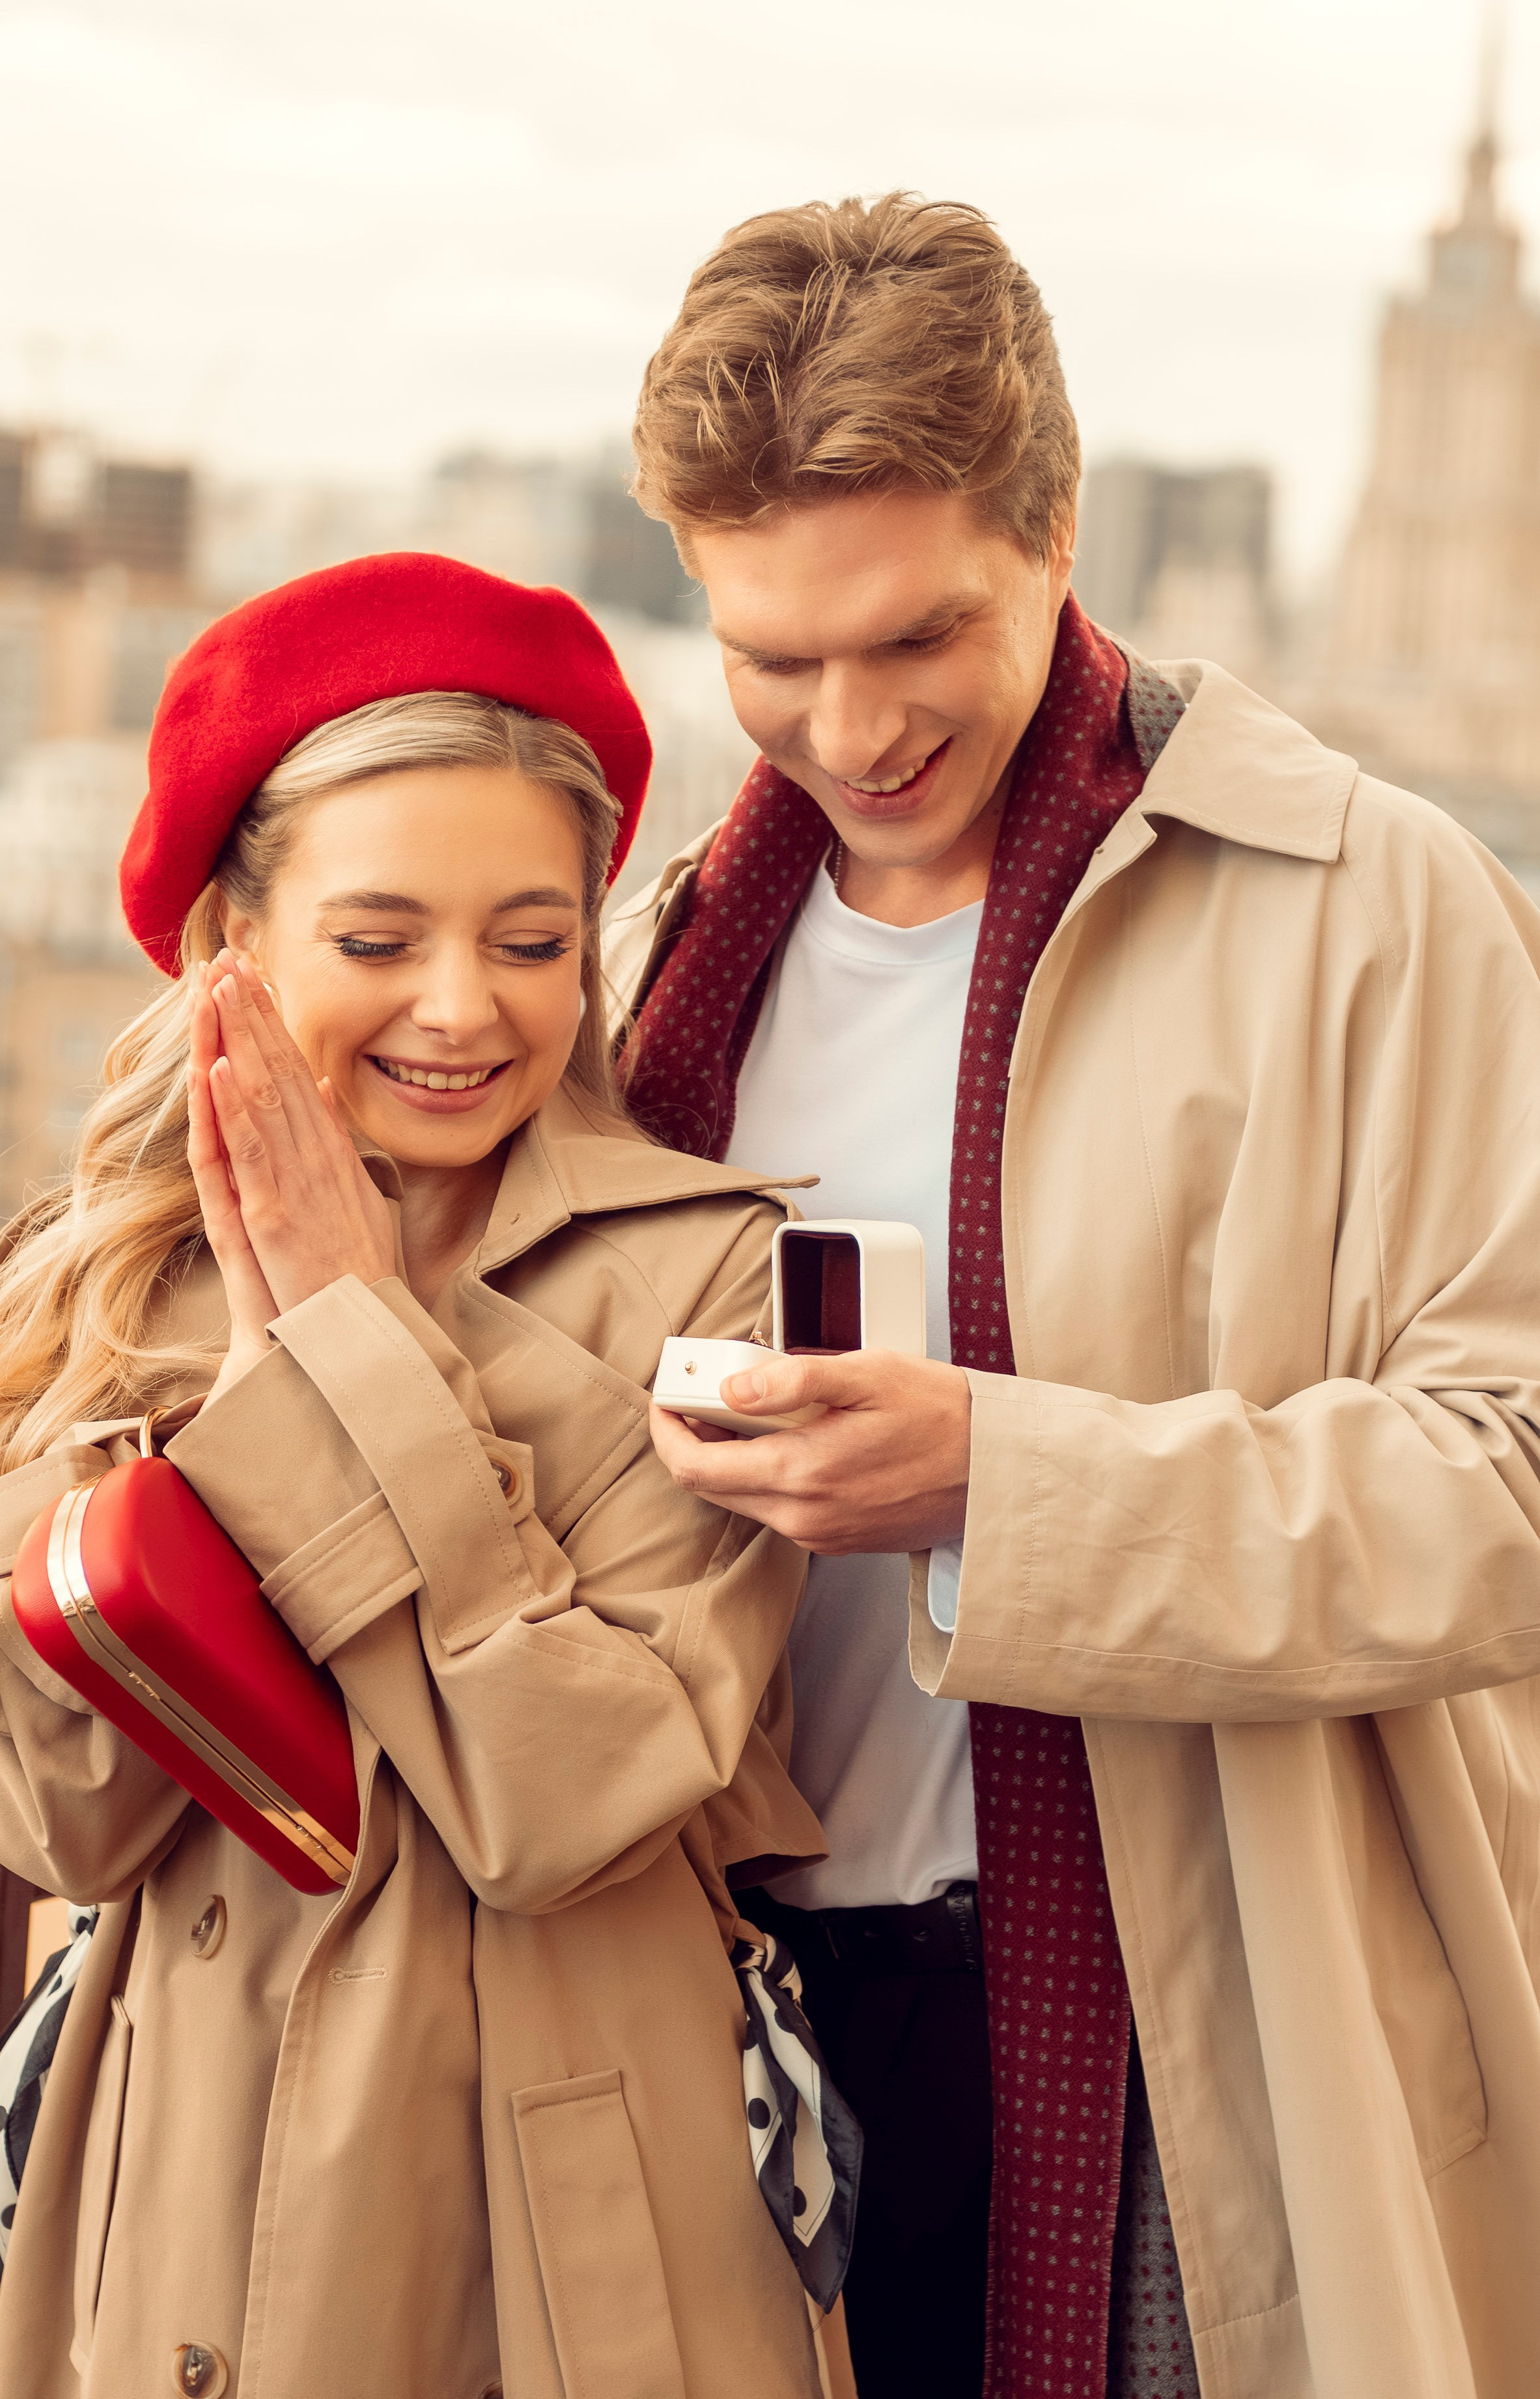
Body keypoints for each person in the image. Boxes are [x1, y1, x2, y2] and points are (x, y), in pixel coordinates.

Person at [609, 193, 1540, 2399]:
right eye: (768, 655)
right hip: (723, 2027)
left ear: (1057, 526)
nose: (844, 727)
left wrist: (991, 1484)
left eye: (915, 635)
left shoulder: (1374, 904)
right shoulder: (654, 960)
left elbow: (1513, 1479)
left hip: (1185, 2041)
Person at [0, 552, 859, 2399]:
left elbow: (573, 1793)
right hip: (178, 2178)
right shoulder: (110, 1271)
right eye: (377, 943)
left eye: (532, 941)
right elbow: (58, 1815)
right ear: (235, 949)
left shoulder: (715, 1273)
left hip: (578, 2221)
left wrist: (347, 1341)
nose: (463, 1009)